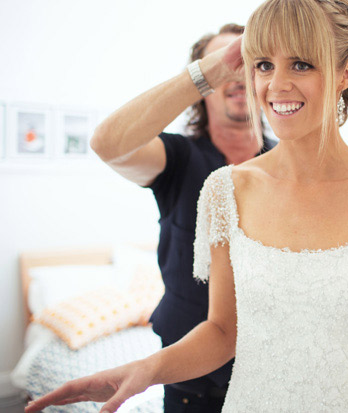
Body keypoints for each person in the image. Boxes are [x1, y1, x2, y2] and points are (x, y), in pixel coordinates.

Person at [25, 1, 348, 412]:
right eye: (264, 64)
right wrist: (145, 370)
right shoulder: (224, 190)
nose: (275, 85)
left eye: (301, 63)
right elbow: (221, 331)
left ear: (346, 72)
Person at [88, 23, 276, 412]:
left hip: (273, 379)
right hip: (191, 389)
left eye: (249, 63)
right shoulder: (178, 158)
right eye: (228, 64)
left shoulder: (288, 163)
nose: (238, 73)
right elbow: (108, 144)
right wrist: (211, 68)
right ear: (203, 85)